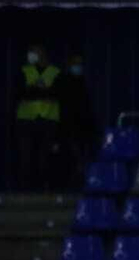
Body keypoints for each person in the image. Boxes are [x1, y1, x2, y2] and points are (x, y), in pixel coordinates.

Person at [14, 44, 61, 191]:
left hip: (48, 120)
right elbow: (19, 93)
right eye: (30, 52)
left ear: (42, 54)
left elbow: (59, 94)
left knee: (45, 157)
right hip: (26, 120)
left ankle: (45, 188)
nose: (31, 55)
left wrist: (40, 90)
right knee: (25, 157)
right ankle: (25, 189)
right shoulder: (24, 71)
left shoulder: (55, 72)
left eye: (34, 52)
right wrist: (37, 89)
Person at [54, 52, 96, 186]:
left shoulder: (82, 82)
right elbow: (63, 107)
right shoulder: (64, 82)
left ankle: (79, 182)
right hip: (68, 128)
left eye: (80, 64)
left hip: (83, 128)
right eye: (75, 64)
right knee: (71, 157)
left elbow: (86, 107)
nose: (78, 67)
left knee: (81, 157)